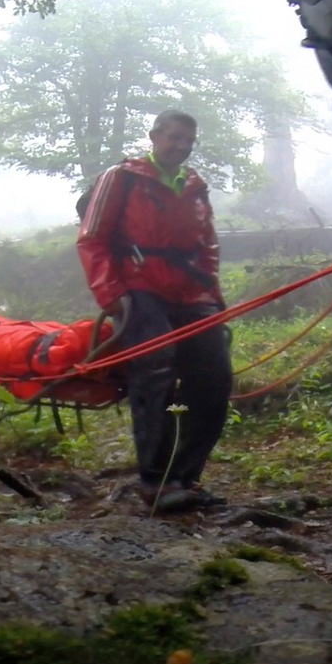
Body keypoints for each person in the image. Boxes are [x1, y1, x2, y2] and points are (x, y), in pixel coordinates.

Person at [76, 109, 232, 513]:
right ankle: (155, 482)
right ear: (154, 136)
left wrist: (213, 296)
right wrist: (112, 295)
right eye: (174, 138)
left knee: (214, 379)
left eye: (188, 140)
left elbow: (207, 246)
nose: (181, 146)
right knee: (156, 371)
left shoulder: (195, 186)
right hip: (140, 289)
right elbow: (92, 239)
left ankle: (186, 476)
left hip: (191, 293)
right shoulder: (122, 178)